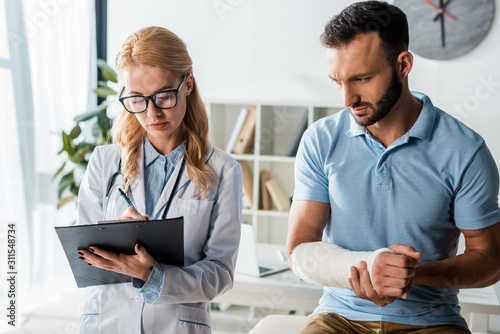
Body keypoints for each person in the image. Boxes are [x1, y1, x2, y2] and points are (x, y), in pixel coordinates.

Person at [286, 1, 500, 333]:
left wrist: (414, 274)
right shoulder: (320, 140)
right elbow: (299, 248)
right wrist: (367, 267)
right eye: (337, 81)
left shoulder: (464, 149)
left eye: (362, 78)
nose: (347, 99)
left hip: (431, 321)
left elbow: (490, 260)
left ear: (403, 64)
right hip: (338, 317)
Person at [76, 26, 242, 333]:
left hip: (175, 325)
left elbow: (220, 274)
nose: (153, 113)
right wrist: (115, 238)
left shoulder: (223, 170)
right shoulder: (104, 162)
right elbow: (81, 255)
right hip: (106, 322)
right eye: (137, 99)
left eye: (164, 96)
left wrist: (154, 275)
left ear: (188, 84)